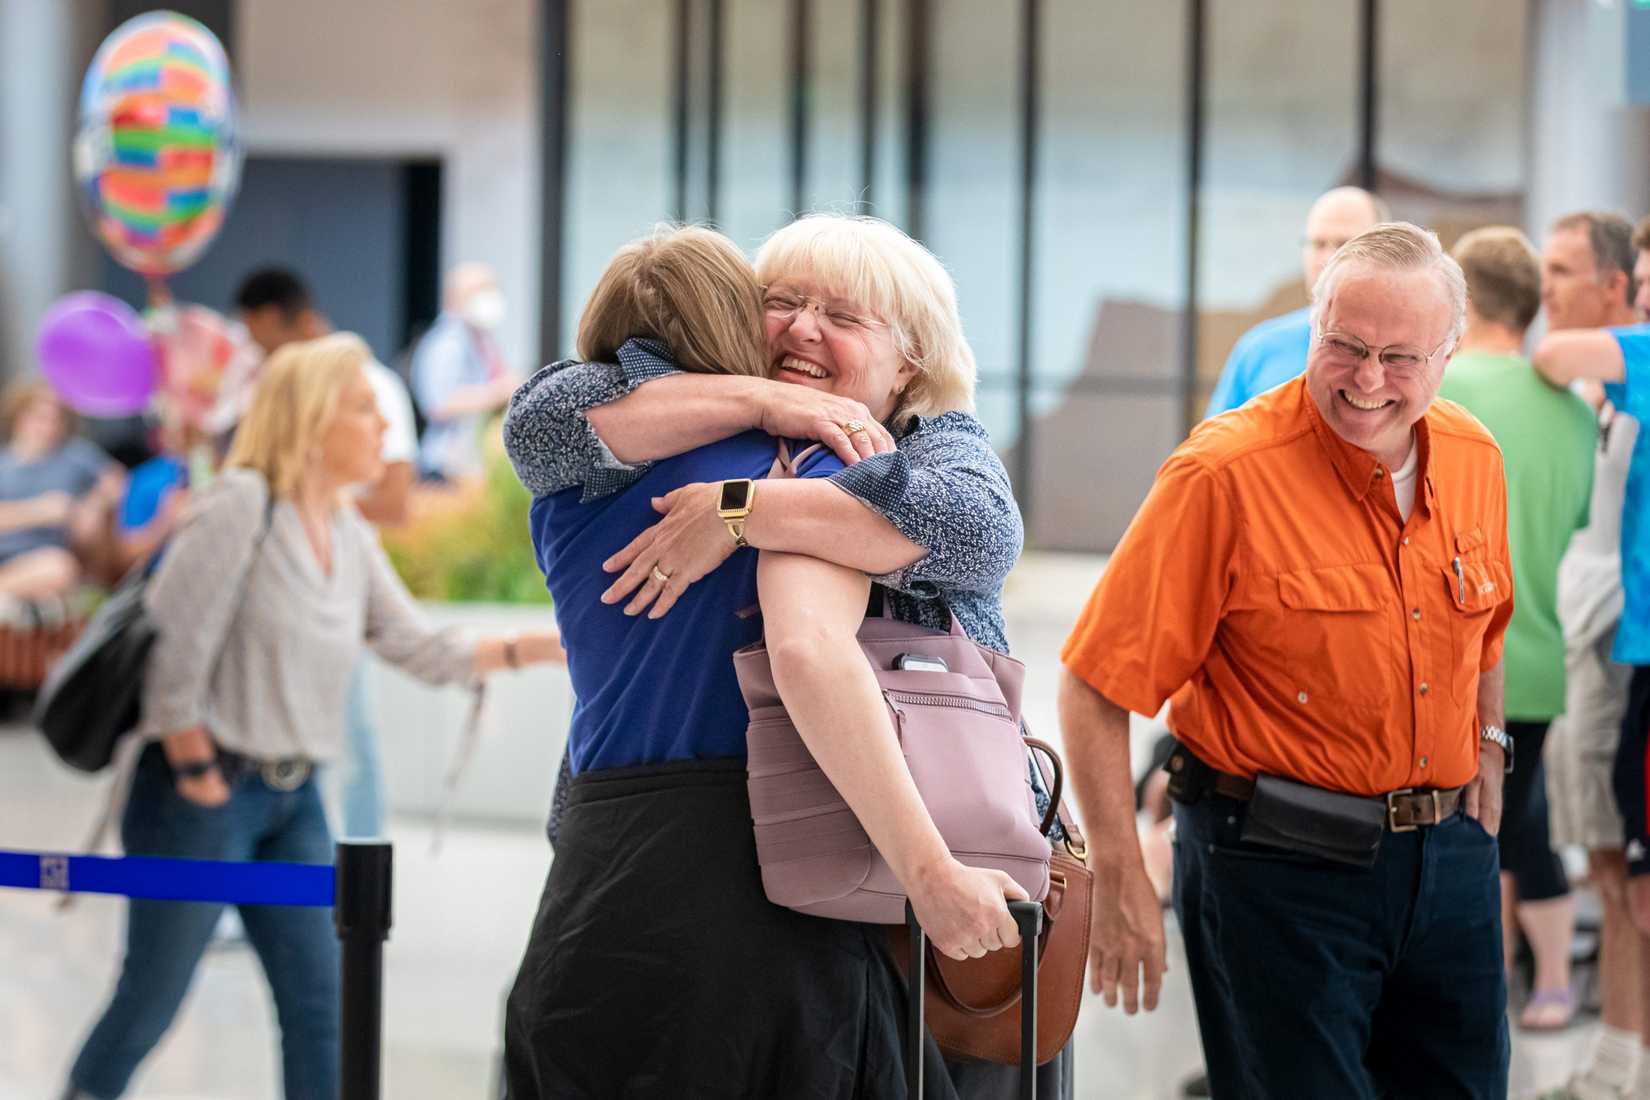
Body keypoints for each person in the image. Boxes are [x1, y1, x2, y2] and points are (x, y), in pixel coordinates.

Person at [503, 215, 1067, 1099]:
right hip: (764, 871)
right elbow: (538, 426)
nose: (804, 328)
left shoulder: (925, 450)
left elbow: (976, 533)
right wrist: (770, 406)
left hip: (945, 865)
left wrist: (740, 509)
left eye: (843, 314)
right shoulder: (725, 435)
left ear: (910, 360)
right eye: (782, 303)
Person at [1062, 223, 1513, 1098]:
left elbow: (1487, 623)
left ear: (1449, 354)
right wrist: (1119, 878)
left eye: (1398, 356)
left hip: (1449, 865)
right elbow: (1092, 685)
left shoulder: (1475, 456)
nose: (1367, 380)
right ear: (1313, 325)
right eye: (1343, 346)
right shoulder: (1222, 475)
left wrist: (1490, 738)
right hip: (1275, 873)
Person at [61, 333, 563, 1100]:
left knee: (321, 1007)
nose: (384, 431)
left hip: (295, 800)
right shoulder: (240, 504)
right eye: (365, 410)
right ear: (312, 417)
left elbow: (419, 646)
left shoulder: (347, 529)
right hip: (201, 795)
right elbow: (172, 652)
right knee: (150, 1002)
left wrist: (550, 644)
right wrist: (197, 770)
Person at [1437, 226, 1597, 1031]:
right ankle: (1541, 985)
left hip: (1451, 659)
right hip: (1537, 657)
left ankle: (1497, 984)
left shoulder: (1432, 390)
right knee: (1514, 817)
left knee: (1471, 836)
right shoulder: (1572, 412)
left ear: (1461, 300)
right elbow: (1571, 524)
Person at [231, 266, 421, 838]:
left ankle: (360, 881)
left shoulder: (373, 387)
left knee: (353, 742)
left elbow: (395, 501)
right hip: (275, 602)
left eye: (260, 336)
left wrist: (316, 509)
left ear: (286, 322)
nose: (256, 350)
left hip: (336, 593)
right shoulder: (266, 394)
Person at [1533, 231, 1650, 1099]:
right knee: (1615, 872)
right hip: (1610, 644)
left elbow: (1554, 350)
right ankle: (1618, 1058)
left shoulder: (1631, 362)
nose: (1549, 290)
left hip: (1627, 647)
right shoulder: (1610, 393)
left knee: (1629, 876)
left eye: (1562, 271)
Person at [1203, 186, 1389, 417]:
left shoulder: (1416, 353)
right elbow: (1212, 447)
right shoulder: (1259, 350)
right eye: (1319, 244)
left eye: (1344, 244)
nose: (1328, 258)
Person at [0, 380, 124, 600]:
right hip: (7, 557)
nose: (48, 427)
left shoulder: (75, 455)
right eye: (40, 418)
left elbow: (115, 481)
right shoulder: (4, 465)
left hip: (43, 559)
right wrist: (39, 512)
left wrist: (92, 506)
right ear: (19, 417)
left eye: (56, 420)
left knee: (60, 568)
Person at [412, 262, 521, 481]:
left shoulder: (481, 338)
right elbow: (439, 403)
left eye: (492, 288)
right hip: (445, 467)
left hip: (474, 464)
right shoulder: (447, 343)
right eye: (480, 290)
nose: (489, 297)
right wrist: (497, 392)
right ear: (453, 298)